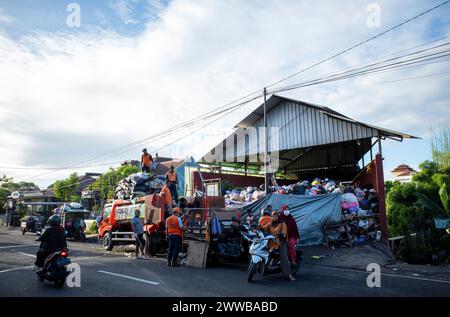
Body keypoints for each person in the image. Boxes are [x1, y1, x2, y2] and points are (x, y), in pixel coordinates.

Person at [262, 211, 296, 282]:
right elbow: (264, 228)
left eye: (276, 216)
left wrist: (282, 234)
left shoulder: (282, 223)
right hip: (272, 243)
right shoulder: (271, 223)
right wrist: (257, 227)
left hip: (281, 242)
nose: (275, 217)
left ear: (278, 217)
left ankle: (289, 274)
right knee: (264, 253)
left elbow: (284, 231)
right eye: (274, 216)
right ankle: (264, 269)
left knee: (284, 258)